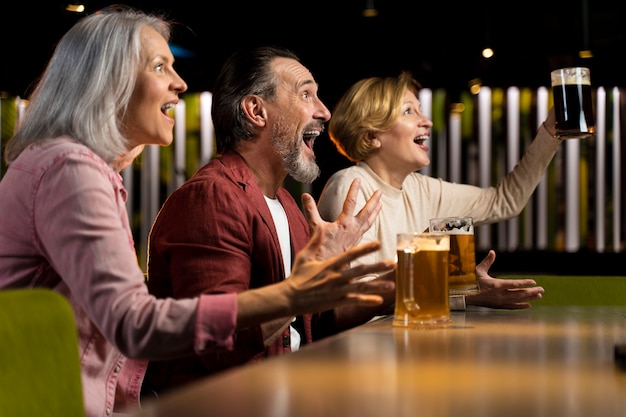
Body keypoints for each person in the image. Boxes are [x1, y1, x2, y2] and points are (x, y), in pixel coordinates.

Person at [0, 9, 395, 417]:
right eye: (159, 66)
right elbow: (136, 324)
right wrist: (293, 294)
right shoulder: (71, 168)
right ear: (108, 80)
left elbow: (309, 325)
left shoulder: (79, 169)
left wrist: (394, 285)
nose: (181, 82)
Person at [145, 45, 402, 395]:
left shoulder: (283, 201)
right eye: (306, 94)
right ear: (256, 111)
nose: (324, 111)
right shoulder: (212, 197)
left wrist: (400, 285)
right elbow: (219, 346)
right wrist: (302, 287)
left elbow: (313, 323)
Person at [317, 71, 562, 314]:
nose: (427, 121)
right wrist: (461, 293)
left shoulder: (421, 188)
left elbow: (505, 201)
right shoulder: (351, 187)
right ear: (372, 136)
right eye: (408, 111)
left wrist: (551, 132)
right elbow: (353, 303)